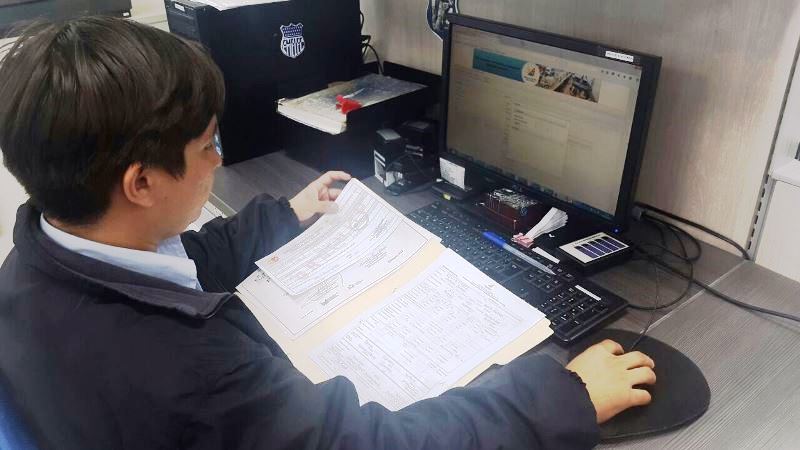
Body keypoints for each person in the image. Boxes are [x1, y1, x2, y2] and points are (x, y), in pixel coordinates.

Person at [0, 17, 656, 449]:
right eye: (207, 146)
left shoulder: (39, 259)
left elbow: (176, 260)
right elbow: (368, 445)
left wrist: (283, 217)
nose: (219, 161)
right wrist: (561, 399)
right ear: (141, 183)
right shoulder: (190, 373)